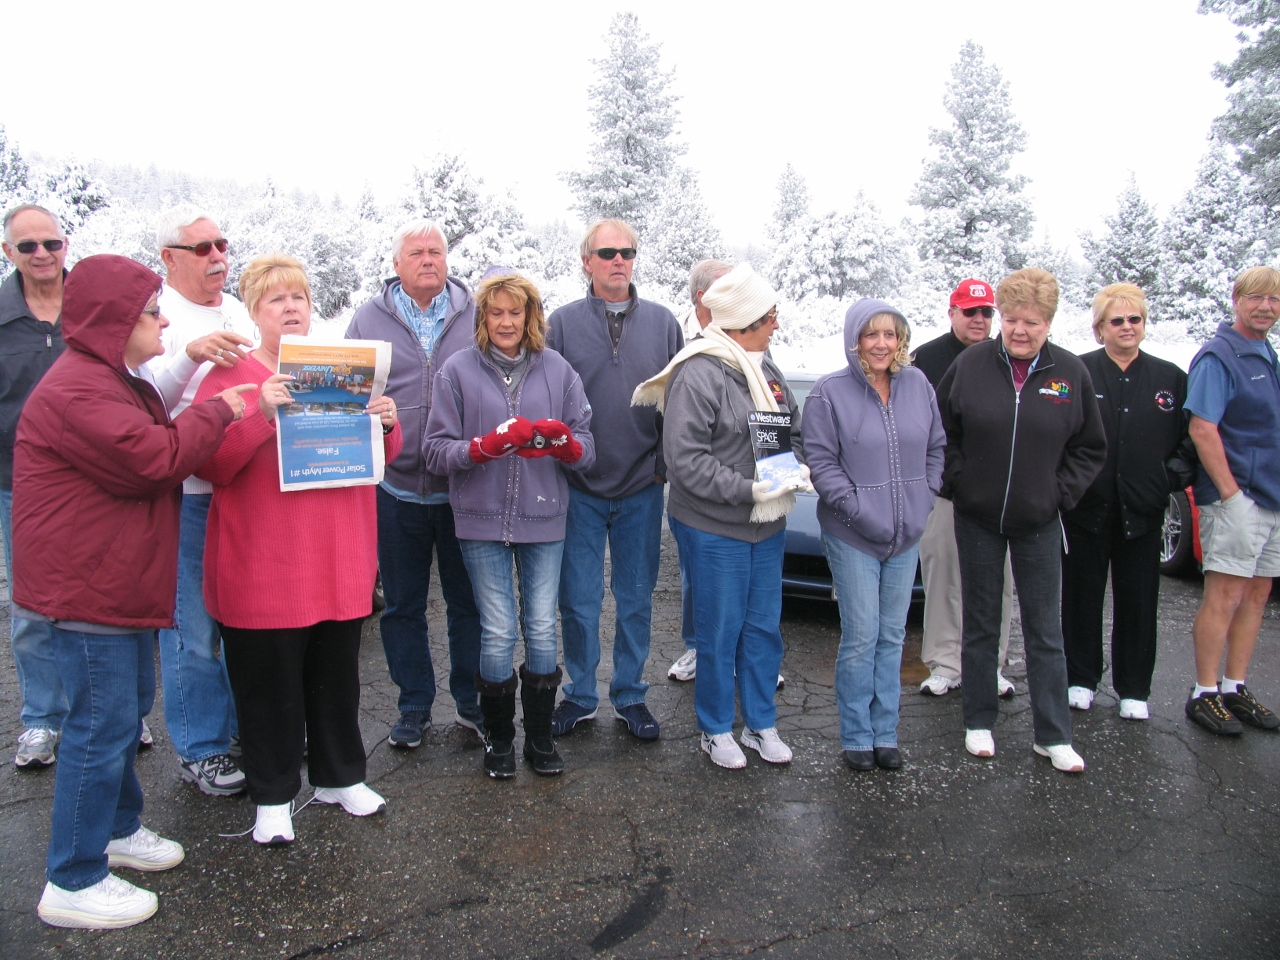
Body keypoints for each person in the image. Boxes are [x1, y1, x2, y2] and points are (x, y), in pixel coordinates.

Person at [13, 254, 252, 928]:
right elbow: (155, 458)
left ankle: (116, 832)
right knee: (101, 727)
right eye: (151, 312)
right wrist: (224, 411)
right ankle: (73, 878)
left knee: (121, 716)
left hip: (109, 581)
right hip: (88, 587)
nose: (164, 320)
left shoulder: (110, 377)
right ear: (116, 320)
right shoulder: (79, 391)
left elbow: (153, 438)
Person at [193, 254, 401, 845]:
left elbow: (384, 457)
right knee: (269, 685)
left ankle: (339, 776)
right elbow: (211, 463)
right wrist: (259, 412)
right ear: (254, 311)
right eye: (275, 300)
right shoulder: (230, 376)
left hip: (337, 555)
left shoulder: (338, 367)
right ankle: (273, 795)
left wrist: (386, 422)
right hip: (266, 561)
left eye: (299, 298)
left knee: (336, 677)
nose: (290, 308)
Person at [635, 263, 805, 769]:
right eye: (769, 316)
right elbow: (687, 464)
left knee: (762, 629)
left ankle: (759, 722)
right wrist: (751, 489)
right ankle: (714, 728)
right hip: (713, 527)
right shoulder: (700, 371)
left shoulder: (765, 367)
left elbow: (788, 428)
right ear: (743, 320)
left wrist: (794, 469)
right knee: (719, 630)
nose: (776, 323)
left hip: (766, 524)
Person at [424, 271, 594, 778]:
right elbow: (435, 451)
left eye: (514, 312)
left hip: (544, 516)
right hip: (479, 520)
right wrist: (481, 448)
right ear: (482, 318)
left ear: (529, 317)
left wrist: (567, 445)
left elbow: (587, 447)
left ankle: (539, 740)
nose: (505, 321)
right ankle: (499, 740)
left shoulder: (557, 370)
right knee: (497, 631)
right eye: (495, 312)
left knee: (542, 627)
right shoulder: (456, 371)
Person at [936, 268, 1105, 773]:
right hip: (978, 516)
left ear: (1049, 323)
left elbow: (1089, 448)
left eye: (1030, 322)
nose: (1018, 331)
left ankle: (1052, 734)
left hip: (1038, 520)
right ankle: (979, 721)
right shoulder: (970, 365)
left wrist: (1058, 495)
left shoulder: (1070, 374)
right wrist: (958, 482)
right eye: (1010, 320)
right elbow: (942, 431)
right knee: (982, 622)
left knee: (1043, 629)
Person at [346, 219, 484, 749]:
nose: (428, 260)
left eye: (436, 252)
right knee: (402, 605)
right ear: (397, 264)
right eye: (416, 253)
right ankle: (414, 705)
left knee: (466, 603)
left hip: (462, 488)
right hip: (395, 487)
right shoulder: (367, 319)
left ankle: (470, 702)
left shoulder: (473, 313)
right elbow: (348, 393)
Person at [546, 219, 683, 741]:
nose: (618, 260)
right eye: (607, 252)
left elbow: (680, 404)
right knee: (577, 600)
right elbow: (548, 398)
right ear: (587, 261)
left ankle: (630, 695)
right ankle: (579, 695)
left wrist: (663, 467)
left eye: (626, 251)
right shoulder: (559, 325)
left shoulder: (665, 324)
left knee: (635, 599)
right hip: (578, 488)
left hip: (641, 487)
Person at [803, 300, 946, 771]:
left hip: (906, 536)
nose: (882, 344)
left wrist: (924, 499)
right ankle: (857, 736)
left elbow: (936, 449)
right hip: (853, 535)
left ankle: (886, 732)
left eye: (891, 334)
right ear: (855, 340)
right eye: (871, 335)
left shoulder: (918, 384)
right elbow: (821, 464)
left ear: (901, 340)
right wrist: (861, 511)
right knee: (862, 636)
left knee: (892, 635)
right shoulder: (829, 393)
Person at [145, 205, 256, 797]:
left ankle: (245, 729)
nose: (217, 257)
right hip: (186, 494)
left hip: (239, 489)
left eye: (222, 245)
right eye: (202, 249)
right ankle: (201, 748)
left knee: (242, 616)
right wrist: (188, 358)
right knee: (191, 626)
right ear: (169, 259)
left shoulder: (236, 308)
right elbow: (142, 405)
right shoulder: (156, 313)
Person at [1062, 283, 1194, 722]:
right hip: (1087, 509)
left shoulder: (1170, 378)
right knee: (1082, 596)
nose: (1126, 327)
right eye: (1116, 320)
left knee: (1138, 601)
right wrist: (1069, 486)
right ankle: (1080, 679)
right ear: (1099, 328)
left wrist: (1166, 480)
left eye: (1134, 319)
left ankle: (1134, 688)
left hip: (1142, 511)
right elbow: (1057, 437)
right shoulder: (1077, 372)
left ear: (1144, 324)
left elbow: (1188, 442)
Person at [1184, 265, 1280, 736]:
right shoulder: (1219, 357)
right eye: (1257, 298)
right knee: (1224, 595)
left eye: (1275, 300)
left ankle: (1234, 685)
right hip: (1238, 499)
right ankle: (1204, 692)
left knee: (1257, 593)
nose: (1266, 307)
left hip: (1273, 499)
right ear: (1237, 299)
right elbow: (1203, 428)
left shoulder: (1266, 353)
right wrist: (1231, 494)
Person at [911, 278, 1015, 699]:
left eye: (987, 312)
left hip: (999, 491)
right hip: (943, 490)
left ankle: (991, 664)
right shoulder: (924, 359)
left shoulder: (1011, 356)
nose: (979, 319)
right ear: (952, 312)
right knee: (943, 579)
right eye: (970, 311)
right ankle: (943, 663)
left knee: (998, 582)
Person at [1, 204, 68, 768]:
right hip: (18, 484)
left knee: (100, 602)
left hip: (95, 484)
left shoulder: (92, 308)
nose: (42, 254)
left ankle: (113, 714)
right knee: (31, 606)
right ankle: (42, 720)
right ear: (9, 253)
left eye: (51, 243)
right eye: (28, 246)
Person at [667, 258, 732, 684]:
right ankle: (697, 648)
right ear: (703, 299)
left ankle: (747, 655)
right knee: (698, 578)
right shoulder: (685, 346)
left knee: (746, 585)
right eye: (731, 289)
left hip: (746, 493)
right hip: (696, 495)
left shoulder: (755, 344)